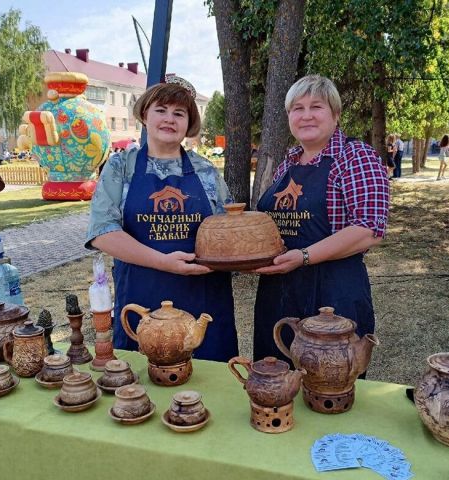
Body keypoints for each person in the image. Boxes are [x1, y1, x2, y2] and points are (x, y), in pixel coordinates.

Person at [86, 78, 239, 362]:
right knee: (142, 386)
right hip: (142, 297)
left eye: (179, 113)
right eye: (161, 110)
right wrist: (165, 263)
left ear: (188, 123)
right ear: (145, 115)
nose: (170, 119)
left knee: (209, 383)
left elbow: (228, 228)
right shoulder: (121, 167)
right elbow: (103, 232)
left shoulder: (205, 171)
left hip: (204, 296)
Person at [252, 75, 389, 363]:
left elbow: (369, 230)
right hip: (278, 293)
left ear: (336, 115)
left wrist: (303, 256)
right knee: (276, 383)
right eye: (297, 109)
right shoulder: (287, 163)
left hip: (334, 293)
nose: (306, 116)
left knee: (328, 383)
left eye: (316, 107)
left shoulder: (356, 157)